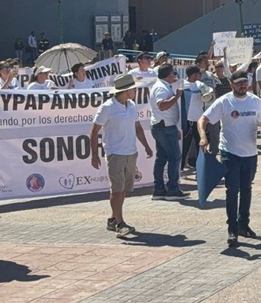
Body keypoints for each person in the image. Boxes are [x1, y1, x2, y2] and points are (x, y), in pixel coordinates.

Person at [198, 69, 261, 247]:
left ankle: (243, 224)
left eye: (245, 82)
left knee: (246, 189)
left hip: (250, 153)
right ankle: (232, 228)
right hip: (229, 152)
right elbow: (203, 120)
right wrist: (203, 136)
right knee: (232, 190)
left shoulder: (255, 100)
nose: (242, 86)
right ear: (231, 84)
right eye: (238, 83)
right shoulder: (224, 101)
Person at [90, 74, 153, 238]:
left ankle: (113, 219)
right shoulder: (107, 107)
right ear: (126, 91)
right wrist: (94, 155)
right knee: (116, 190)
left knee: (124, 189)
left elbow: (138, 127)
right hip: (115, 153)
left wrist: (146, 146)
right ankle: (120, 223)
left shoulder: (131, 105)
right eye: (133, 89)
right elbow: (94, 131)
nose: (135, 91)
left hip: (131, 152)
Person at [149, 64, 188, 201]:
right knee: (175, 156)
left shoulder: (163, 86)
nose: (175, 76)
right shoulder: (161, 87)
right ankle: (172, 189)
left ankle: (159, 189)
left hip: (164, 126)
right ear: (168, 75)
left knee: (162, 157)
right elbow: (162, 105)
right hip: (164, 127)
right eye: (174, 73)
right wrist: (177, 96)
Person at [182, 66, 213, 172]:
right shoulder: (183, 84)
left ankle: (200, 165)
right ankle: (181, 167)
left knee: (200, 143)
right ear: (193, 74)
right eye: (198, 73)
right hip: (187, 120)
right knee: (185, 144)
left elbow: (209, 95)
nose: (199, 75)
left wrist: (206, 94)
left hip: (198, 120)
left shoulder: (200, 84)